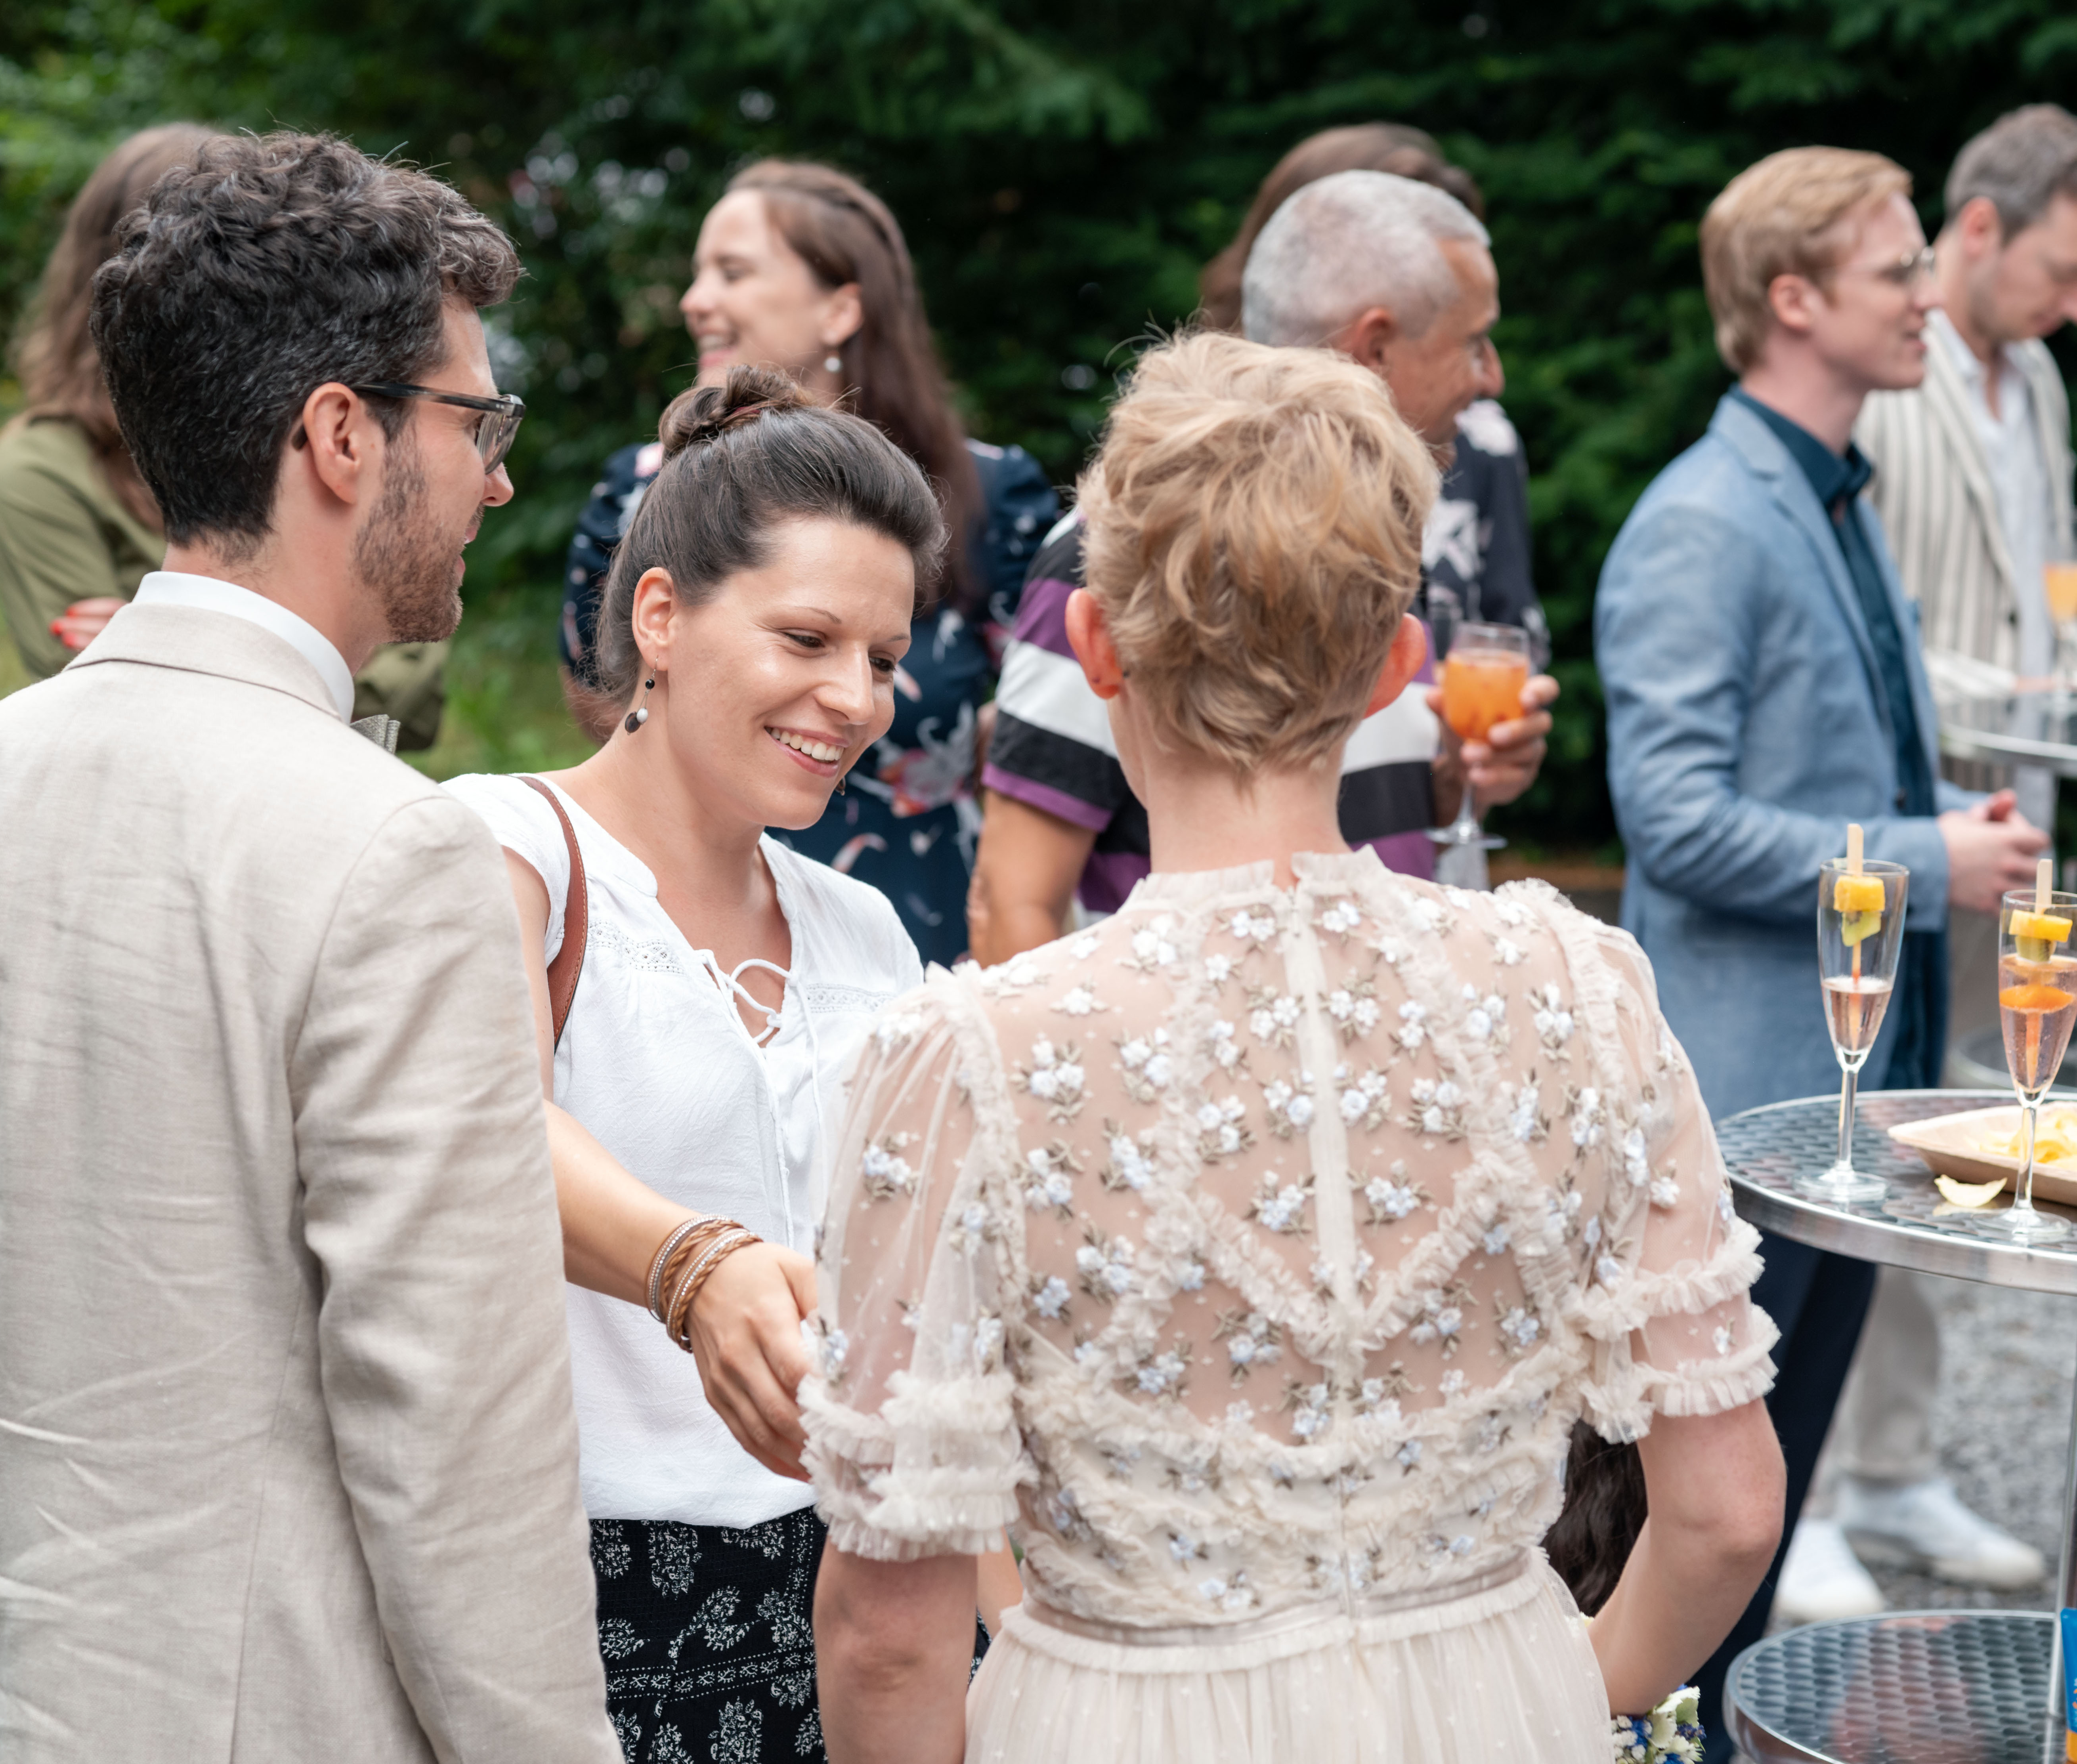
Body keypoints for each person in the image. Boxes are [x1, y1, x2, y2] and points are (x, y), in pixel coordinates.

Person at [802, 333, 1785, 1764]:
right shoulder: (1580, 986)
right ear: (1400, 662)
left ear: (1093, 645)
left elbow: (888, 1629)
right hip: (1497, 1708)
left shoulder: (973, 1053)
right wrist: (1575, 1688)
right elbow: (1726, 1510)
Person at [0, 132, 617, 1761]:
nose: (499, 477)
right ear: (342, 435)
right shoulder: (394, 851)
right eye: (476, 423)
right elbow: (455, 1438)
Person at [451, 365, 1005, 1762]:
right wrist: (694, 1265)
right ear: (663, 618)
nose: (855, 699)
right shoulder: (507, 847)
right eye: (808, 638)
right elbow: (477, 1128)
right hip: (583, 1595)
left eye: (883, 659)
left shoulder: (868, 931)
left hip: (852, 1603)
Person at [1595, 144, 2049, 1760]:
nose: (1933, 295)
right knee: (1707, 1522)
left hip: (1848, 1113)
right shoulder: (1704, 522)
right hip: (1744, 1121)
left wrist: (1935, 811)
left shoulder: (1831, 494)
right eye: (1896, 274)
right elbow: (1676, 823)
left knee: (1769, 1514)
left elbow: (1811, 784)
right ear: (1793, 303)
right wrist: (1935, 857)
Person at [971, 164, 1554, 964]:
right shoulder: (1119, 547)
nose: (1491, 376)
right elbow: (1016, 899)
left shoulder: (1376, 532)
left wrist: (1456, 776)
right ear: (1376, 344)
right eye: (1473, 340)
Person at [1783, 104, 2077, 1620]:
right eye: (2060, 265)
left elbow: (2045, 590)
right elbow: (1872, 641)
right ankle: (1815, 1492)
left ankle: (1897, 1462)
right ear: (1980, 229)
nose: (2072, 302)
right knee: (1869, 1138)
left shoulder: (2034, 384)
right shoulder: (1883, 391)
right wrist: (2009, 706)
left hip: (2012, 826)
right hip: (1907, 830)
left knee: (1973, 1140)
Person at [555, 160, 1057, 964]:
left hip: (922, 925)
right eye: (804, 637)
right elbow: (602, 698)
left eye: (733, 271)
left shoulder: (987, 493)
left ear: (842, 308)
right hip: (681, 918)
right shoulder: (637, 490)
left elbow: (1061, 711)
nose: (695, 301)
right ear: (660, 613)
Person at [0, 124, 450, 745]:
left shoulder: (326, 430)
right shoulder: (42, 467)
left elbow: (414, 699)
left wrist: (157, 641)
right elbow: (100, 702)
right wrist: (325, 661)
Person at [1202, 123, 1546, 656]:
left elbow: (1510, 643)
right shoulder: (1172, 506)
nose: (1492, 381)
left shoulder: (1475, 442)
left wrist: (1466, 739)